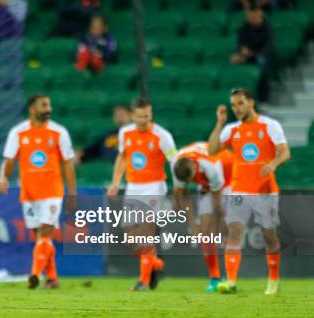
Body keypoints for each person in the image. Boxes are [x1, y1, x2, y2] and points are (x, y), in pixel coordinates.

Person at [208, 88, 290, 295]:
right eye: (234, 105)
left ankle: (273, 278)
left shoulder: (270, 125)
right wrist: (219, 122)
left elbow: (285, 152)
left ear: (251, 102)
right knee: (234, 233)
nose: (236, 108)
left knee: (268, 235)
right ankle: (231, 281)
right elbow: (211, 150)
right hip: (239, 190)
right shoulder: (232, 129)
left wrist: (273, 164)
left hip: (265, 190)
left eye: (240, 103)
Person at [0, 94, 77, 289]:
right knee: (40, 236)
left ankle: (34, 274)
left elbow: (67, 163)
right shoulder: (18, 133)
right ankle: (52, 278)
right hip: (30, 194)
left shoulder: (59, 132)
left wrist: (72, 193)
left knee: (45, 231)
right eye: (44, 105)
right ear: (32, 109)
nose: (48, 108)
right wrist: (4, 177)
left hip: (52, 192)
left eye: (49, 104)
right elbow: (9, 159)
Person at [106, 97, 177, 291]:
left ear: (151, 114)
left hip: (154, 187)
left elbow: (174, 162)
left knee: (145, 233)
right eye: (140, 117)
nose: (144, 120)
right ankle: (154, 262)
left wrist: (178, 187)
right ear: (132, 115)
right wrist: (115, 182)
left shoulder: (162, 136)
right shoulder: (125, 133)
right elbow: (122, 158)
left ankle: (144, 281)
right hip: (133, 187)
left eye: (147, 116)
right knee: (130, 237)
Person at [173, 142, 233, 292]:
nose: (189, 183)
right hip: (206, 184)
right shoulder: (177, 165)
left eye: (191, 179)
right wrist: (193, 223)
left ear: (195, 167)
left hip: (229, 180)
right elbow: (182, 194)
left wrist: (218, 223)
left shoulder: (210, 166)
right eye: (187, 182)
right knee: (206, 234)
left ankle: (231, 277)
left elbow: (217, 203)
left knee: (225, 226)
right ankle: (215, 278)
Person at [230, 6, 275, 102]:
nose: (254, 19)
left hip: (262, 55)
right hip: (247, 55)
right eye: (251, 17)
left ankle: (263, 97)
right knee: (233, 61)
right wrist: (242, 51)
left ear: (260, 17)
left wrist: (252, 53)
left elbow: (268, 47)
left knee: (261, 62)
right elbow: (240, 44)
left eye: (256, 17)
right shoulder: (243, 28)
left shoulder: (267, 28)